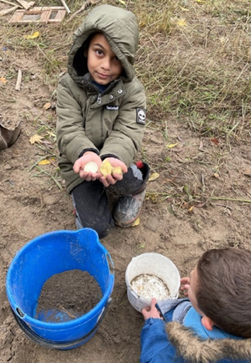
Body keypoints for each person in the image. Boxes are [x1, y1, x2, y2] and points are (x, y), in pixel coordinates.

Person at [56, 4, 149, 238]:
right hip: (79, 163)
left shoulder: (133, 91)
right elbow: (68, 129)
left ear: (127, 62)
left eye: (117, 59)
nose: (106, 65)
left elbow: (128, 132)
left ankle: (138, 185)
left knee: (125, 180)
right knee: (97, 230)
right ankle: (86, 199)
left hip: (116, 161)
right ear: (85, 48)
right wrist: (84, 153)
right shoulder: (68, 86)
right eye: (99, 52)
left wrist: (114, 157)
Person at [140, 248, 251, 363]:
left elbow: (154, 358)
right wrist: (198, 290)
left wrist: (154, 325)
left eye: (191, 286)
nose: (191, 273)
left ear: (207, 322)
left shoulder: (187, 355)